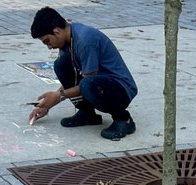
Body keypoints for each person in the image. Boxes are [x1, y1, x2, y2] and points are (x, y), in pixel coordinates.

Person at [27, 7, 138, 142]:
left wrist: (58, 96)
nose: (49, 47)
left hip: (121, 88)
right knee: (61, 65)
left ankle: (123, 119)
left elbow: (88, 81)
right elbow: (74, 78)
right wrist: (47, 105)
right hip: (98, 83)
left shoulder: (85, 40)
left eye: (47, 41)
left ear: (56, 31)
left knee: (87, 84)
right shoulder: (67, 41)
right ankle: (87, 114)